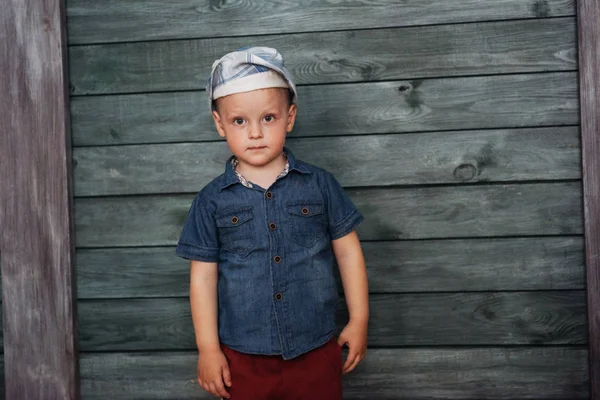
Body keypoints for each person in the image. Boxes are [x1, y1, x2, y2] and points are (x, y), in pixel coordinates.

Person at [176, 46, 369, 400]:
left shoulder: (319, 185)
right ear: (220, 124)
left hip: (315, 347)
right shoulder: (212, 200)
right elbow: (202, 277)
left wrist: (359, 319)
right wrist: (208, 348)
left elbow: (348, 254)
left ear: (289, 118)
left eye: (268, 118)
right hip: (244, 355)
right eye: (239, 121)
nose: (255, 133)